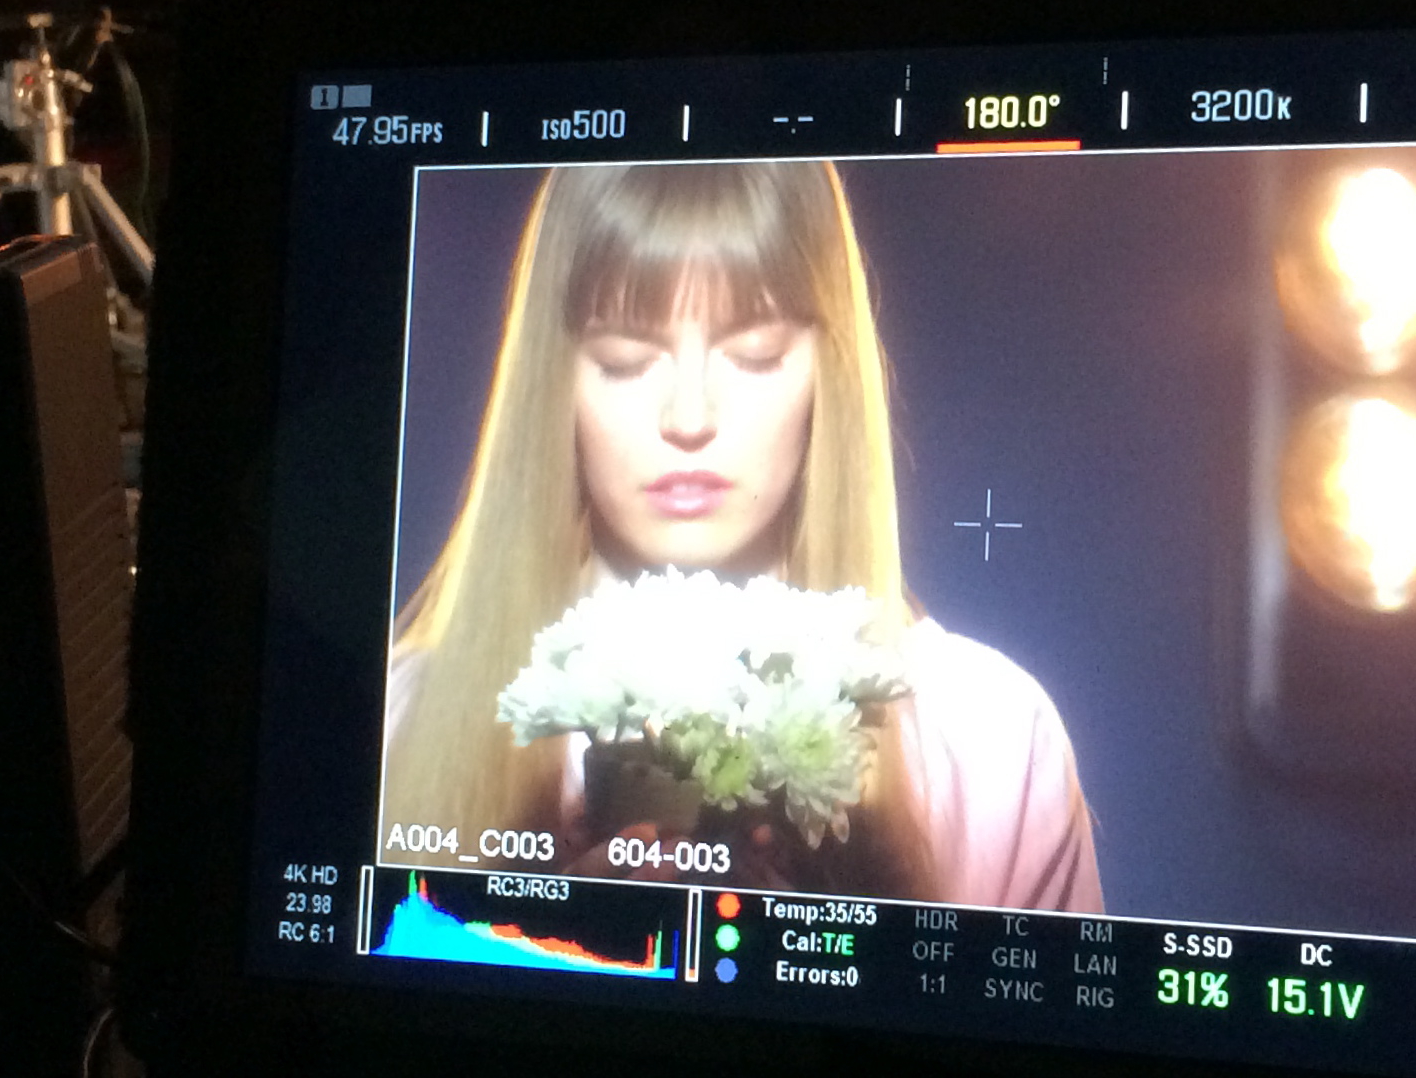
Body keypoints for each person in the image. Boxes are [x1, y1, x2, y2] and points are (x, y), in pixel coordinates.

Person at [383, 161, 1103, 912]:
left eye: (754, 354)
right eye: (625, 362)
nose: (689, 417)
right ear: (554, 379)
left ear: (827, 370)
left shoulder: (987, 735)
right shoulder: (405, 721)